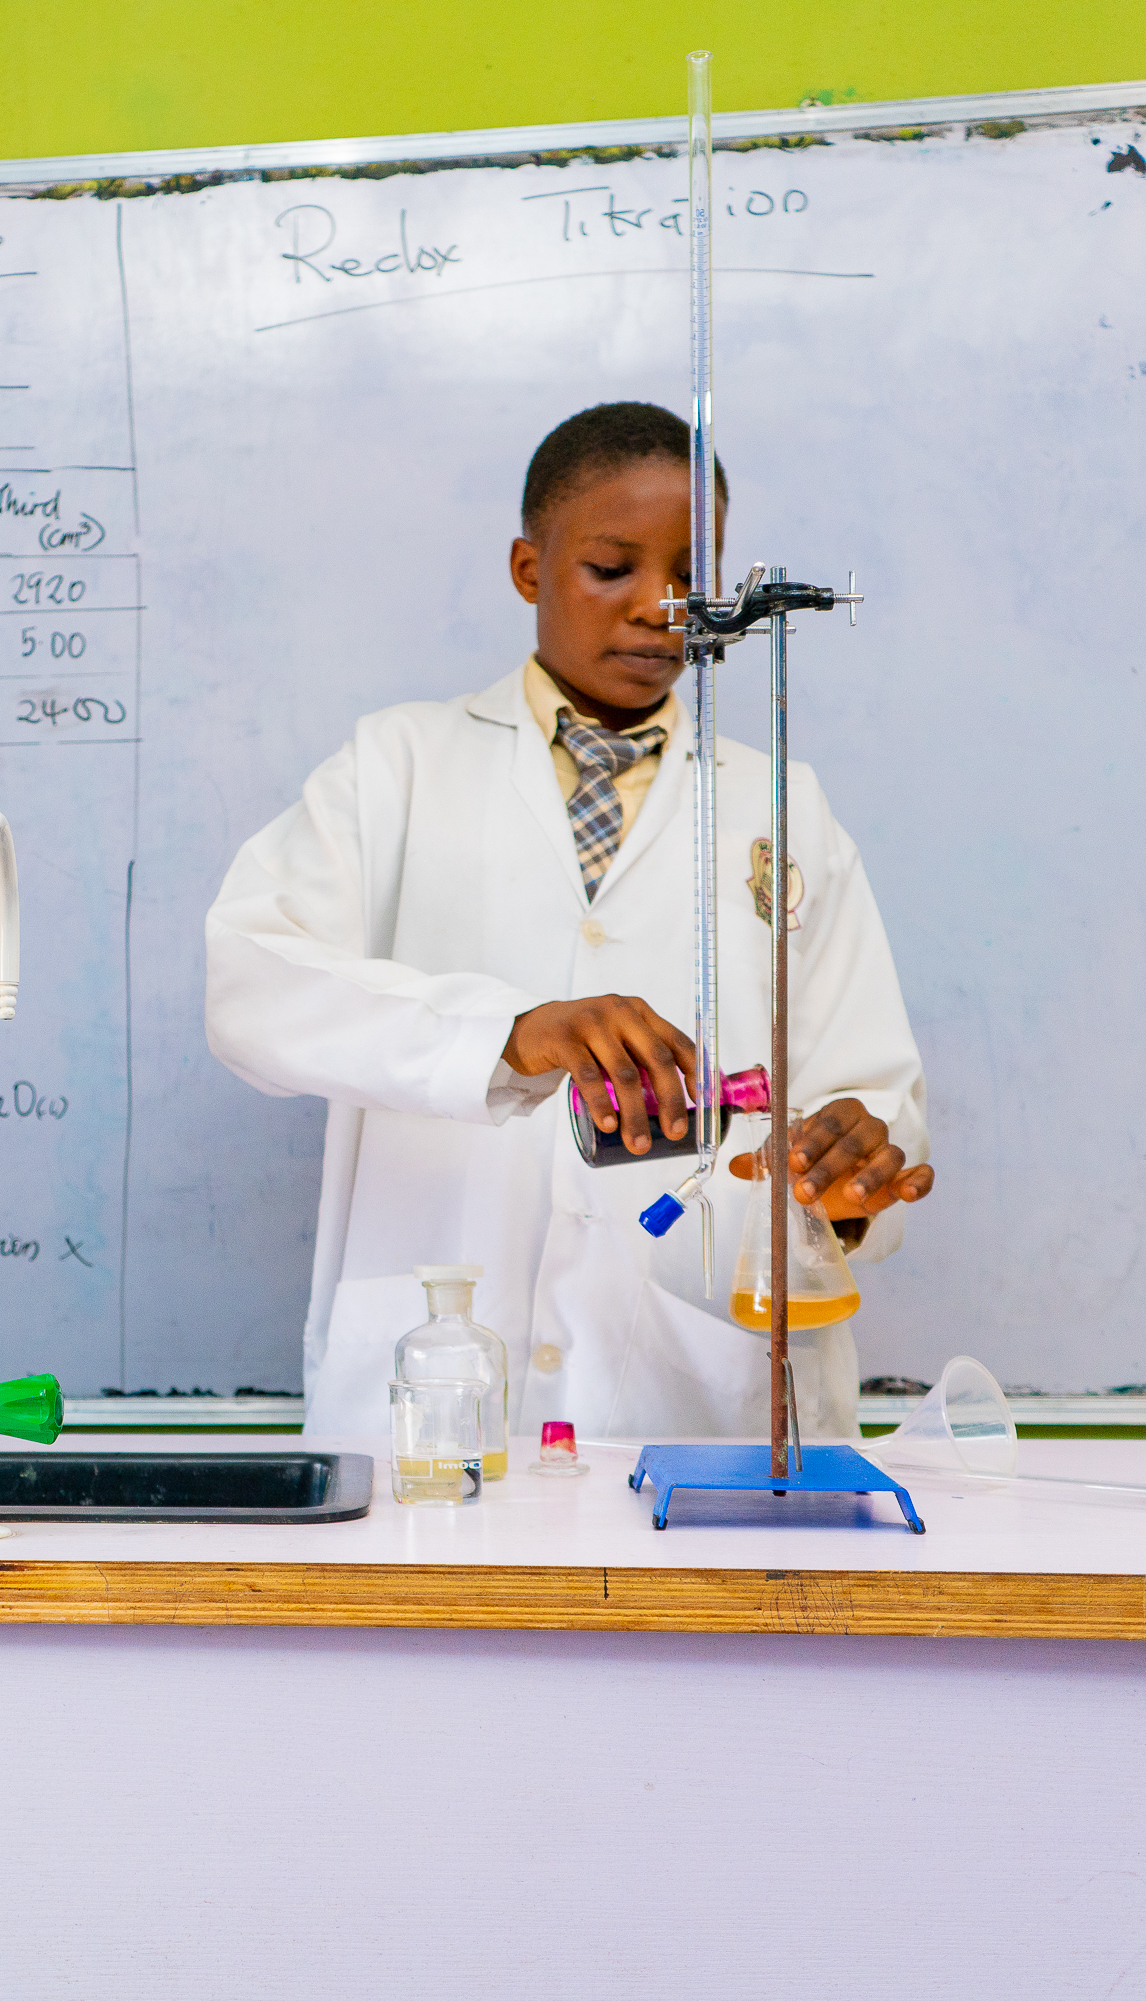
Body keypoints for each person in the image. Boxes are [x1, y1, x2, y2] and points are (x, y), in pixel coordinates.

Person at [204, 404, 933, 1440]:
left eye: (693, 571)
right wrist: (506, 1033)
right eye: (610, 567)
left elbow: (870, 1090)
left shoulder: (783, 808)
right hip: (434, 1399)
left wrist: (849, 1172)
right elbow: (251, 982)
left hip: (700, 1402)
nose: (660, 606)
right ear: (528, 569)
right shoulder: (396, 767)